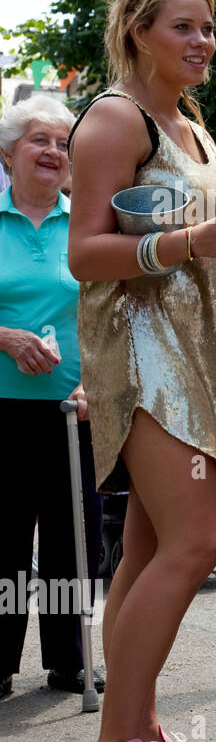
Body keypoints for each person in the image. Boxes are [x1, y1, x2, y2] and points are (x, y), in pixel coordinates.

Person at [66, 0, 216, 742]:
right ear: (139, 31)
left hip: (201, 355)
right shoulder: (115, 119)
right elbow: (84, 255)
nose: (202, 41)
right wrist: (185, 242)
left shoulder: (192, 122)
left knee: (146, 551)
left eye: (207, 27)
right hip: (145, 360)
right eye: (184, 26)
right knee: (198, 541)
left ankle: (141, 736)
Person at [0, 95, 104, 699]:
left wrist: (95, 381)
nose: (54, 152)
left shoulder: (84, 224)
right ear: (10, 153)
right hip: (3, 411)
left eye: (64, 143)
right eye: (40, 140)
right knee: (4, 538)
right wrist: (6, 337)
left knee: (74, 540)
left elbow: (108, 315)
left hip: (74, 410)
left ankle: (70, 660)